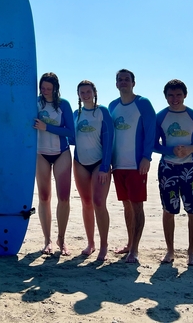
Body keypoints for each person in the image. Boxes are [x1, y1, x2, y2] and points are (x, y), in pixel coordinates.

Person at [154, 79, 193, 266]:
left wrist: (191, 149)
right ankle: (170, 251)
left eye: (178, 95)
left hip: (190, 168)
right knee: (169, 210)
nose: (174, 98)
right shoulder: (160, 117)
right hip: (168, 168)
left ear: (185, 95)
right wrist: (171, 151)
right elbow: (154, 145)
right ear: (165, 96)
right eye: (170, 95)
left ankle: (192, 253)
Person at [108, 69, 156, 264]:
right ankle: (129, 244)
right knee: (126, 205)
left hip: (137, 164)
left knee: (137, 206)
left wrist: (147, 157)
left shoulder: (143, 103)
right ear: (116, 84)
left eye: (127, 79)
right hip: (118, 164)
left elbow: (151, 131)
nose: (123, 82)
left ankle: (135, 250)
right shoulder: (112, 106)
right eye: (120, 80)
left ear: (133, 83)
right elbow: (108, 134)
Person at [33, 72, 75, 256]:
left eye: (49, 89)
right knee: (44, 198)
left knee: (64, 198)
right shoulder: (35, 102)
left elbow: (71, 132)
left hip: (62, 153)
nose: (45, 92)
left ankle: (62, 239)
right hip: (41, 153)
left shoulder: (63, 104)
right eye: (43, 88)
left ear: (55, 89)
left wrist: (46, 127)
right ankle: (47, 240)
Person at [73, 80, 114, 261]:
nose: (85, 94)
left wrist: (105, 166)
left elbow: (109, 140)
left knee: (99, 202)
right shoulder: (76, 114)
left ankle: (104, 245)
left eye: (88, 91)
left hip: (100, 164)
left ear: (94, 92)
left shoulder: (102, 112)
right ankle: (91, 243)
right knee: (86, 203)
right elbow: (70, 137)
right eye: (82, 92)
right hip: (80, 162)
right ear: (79, 95)